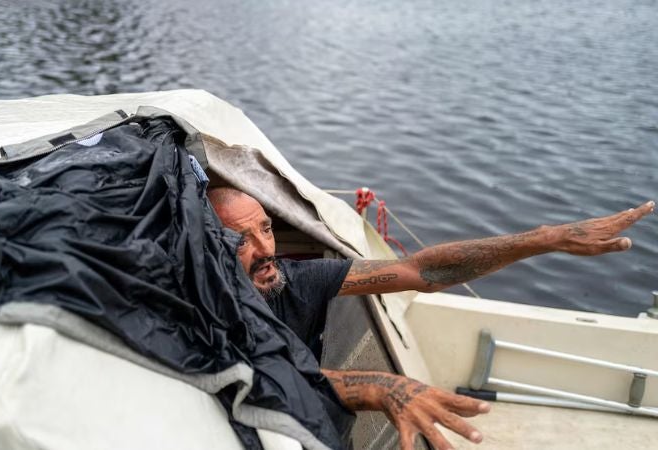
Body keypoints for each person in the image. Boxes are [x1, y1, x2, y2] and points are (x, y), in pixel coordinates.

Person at [208, 186, 654, 450]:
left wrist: (543, 240)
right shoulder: (198, 309)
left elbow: (420, 271)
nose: (266, 249)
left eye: (266, 228)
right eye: (240, 239)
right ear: (206, 247)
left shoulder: (294, 280)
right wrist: (376, 386)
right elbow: (251, 368)